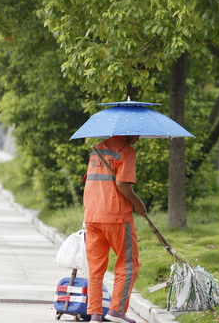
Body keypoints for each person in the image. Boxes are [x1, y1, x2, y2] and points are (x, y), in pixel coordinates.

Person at [83, 135, 147, 323]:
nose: (139, 138)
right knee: (128, 266)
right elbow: (121, 184)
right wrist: (138, 203)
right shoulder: (126, 151)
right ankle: (117, 311)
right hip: (117, 217)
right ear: (129, 131)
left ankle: (95, 315)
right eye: (138, 134)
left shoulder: (97, 150)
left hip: (92, 216)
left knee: (96, 269)